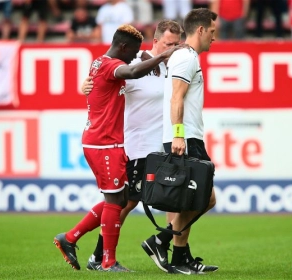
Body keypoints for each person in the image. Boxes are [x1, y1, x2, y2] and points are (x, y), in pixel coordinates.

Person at [80, 19, 217, 274]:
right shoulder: (133, 64)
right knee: (126, 202)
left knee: (174, 198)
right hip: (138, 145)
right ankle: (99, 255)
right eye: (168, 44)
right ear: (155, 42)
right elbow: (103, 83)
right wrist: (85, 86)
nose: (174, 48)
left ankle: (176, 256)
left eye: (177, 44)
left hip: (162, 145)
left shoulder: (174, 65)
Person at [53, 24, 185, 273]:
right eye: (132, 51)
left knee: (124, 199)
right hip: (109, 142)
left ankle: (71, 239)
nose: (134, 55)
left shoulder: (106, 63)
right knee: (119, 201)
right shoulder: (117, 64)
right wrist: (162, 55)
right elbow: (133, 71)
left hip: (114, 142)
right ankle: (105, 261)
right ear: (125, 47)